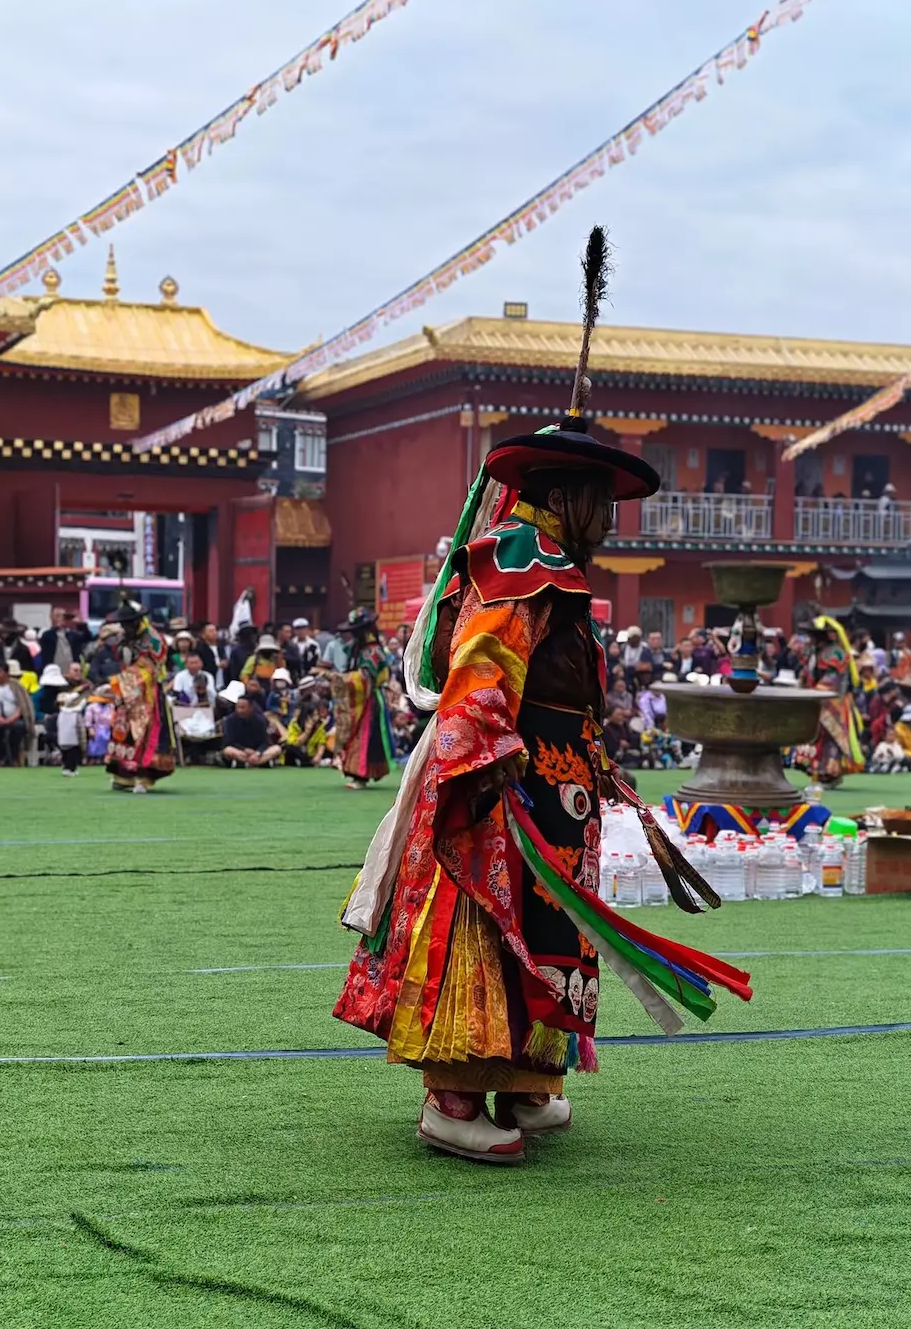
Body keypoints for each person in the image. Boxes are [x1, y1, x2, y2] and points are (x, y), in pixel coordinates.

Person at [335, 227, 751, 1164]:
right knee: (490, 925)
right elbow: (481, 675)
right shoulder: (521, 566)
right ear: (570, 497)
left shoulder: (550, 565)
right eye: (602, 503)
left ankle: (525, 1084)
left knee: (548, 927)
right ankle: (452, 1097)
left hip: (555, 785)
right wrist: (488, 767)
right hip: (506, 785)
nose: (610, 521)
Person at [104, 600, 179, 793]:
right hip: (128, 690)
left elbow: (151, 667)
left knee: (146, 734)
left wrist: (122, 682)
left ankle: (144, 777)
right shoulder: (124, 637)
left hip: (148, 692)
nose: (125, 627)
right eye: (123, 624)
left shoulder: (153, 639)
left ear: (137, 621)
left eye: (128, 623)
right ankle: (124, 776)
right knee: (125, 732)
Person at [332, 608, 391, 790]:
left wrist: (343, 679)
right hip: (358, 699)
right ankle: (356, 773)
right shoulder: (359, 649)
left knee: (364, 737)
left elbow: (366, 677)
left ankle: (360, 775)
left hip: (369, 700)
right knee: (355, 735)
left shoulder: (372, 651)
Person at [801, 616, 865, 784]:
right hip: (817, 698)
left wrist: (817, 691)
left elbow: (833, 679)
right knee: (819, 736)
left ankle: (831, 771)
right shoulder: (814, 652)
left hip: (835, 700)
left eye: (815, 635)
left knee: (833, 737)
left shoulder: (835, 653)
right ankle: (819, 769)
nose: (812, 639)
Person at [0, 662, 30, 765]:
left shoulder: (17, 686)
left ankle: (14, 757)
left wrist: (12, 718)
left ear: (6, 673)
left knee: (19, 727)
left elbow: (22, 706)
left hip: (14, 718)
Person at [221, 694, 282, 767]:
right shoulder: (229, 720)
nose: (239, 710)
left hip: (257, 753)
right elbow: (229, 742)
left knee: (277, 749)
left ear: (251, 708)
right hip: (241, 751)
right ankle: (259, 763)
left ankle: (247, 763)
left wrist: (258, 753)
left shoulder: (260, 721)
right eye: (238, 707)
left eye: (243, 707)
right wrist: (244, 749)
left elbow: (265, 742)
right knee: (228, 750)